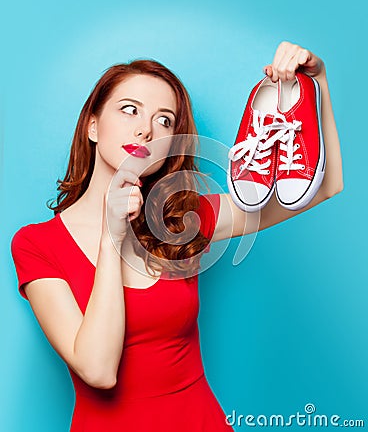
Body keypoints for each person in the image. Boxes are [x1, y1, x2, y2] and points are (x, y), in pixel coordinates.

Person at [10, 41, 343, 431]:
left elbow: (325, 186)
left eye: (164, 120)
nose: (145, 128)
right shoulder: (36, 244)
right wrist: (111, 238)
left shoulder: (182, 221)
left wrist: (316, 84)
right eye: (129, 109)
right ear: (93, 126)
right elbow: (99, 371)